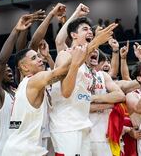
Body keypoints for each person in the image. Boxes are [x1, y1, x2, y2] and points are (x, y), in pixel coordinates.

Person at [50, 16, 117, 155]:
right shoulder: (65, 55)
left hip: (83, 124)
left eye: (90, 29)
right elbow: (66, 93)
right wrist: (97, 41)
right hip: (66, 127)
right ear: (73, 35)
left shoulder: (87, 67)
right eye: (84, 29)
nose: (90, 32)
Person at [0, 12, 37, 156]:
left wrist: (25, 29)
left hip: (20, 146)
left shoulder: (15, 90)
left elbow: (21, 54)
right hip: (4, 149)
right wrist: (16, 30)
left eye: (10, 68)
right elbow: (2, 60)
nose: (9, 70)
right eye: (5, 70)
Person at [88, 50, 125, 156]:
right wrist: (110, 103)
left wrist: (94, 98)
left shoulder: (103, 75)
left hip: (104, 134)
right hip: (86, 134)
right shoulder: (79, 75)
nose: (94, 51)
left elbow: (120, 95)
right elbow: (83, 105)